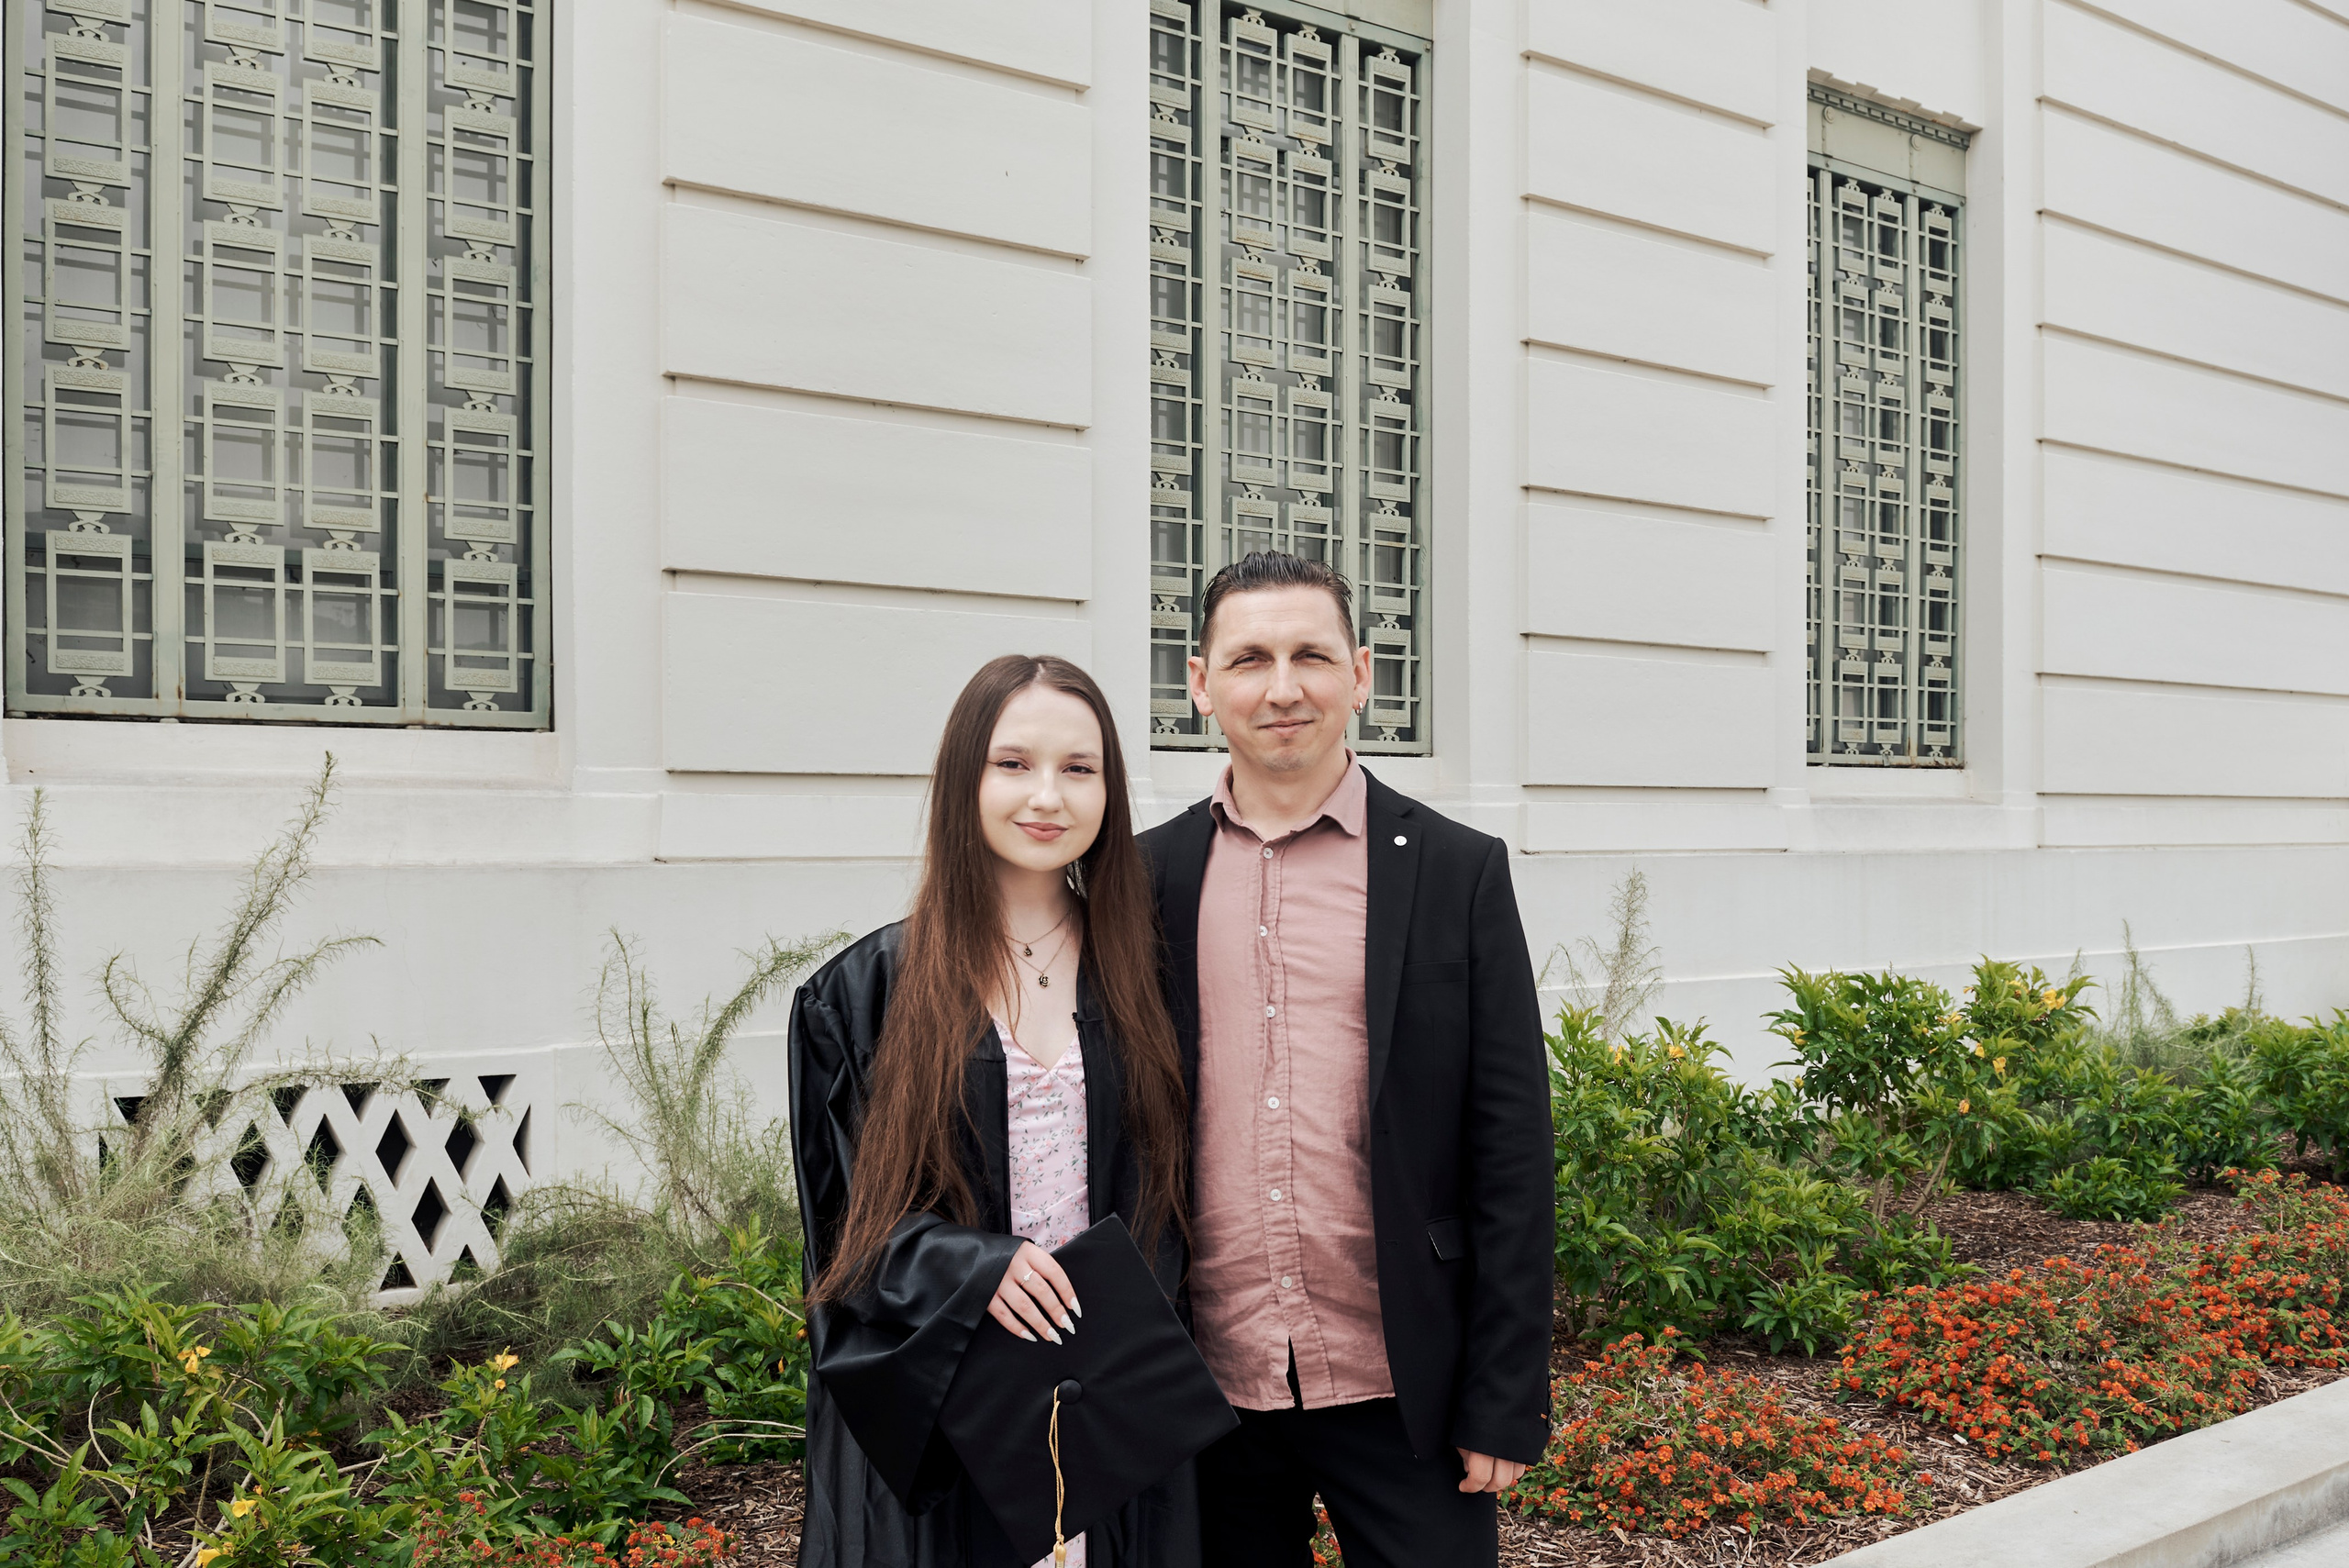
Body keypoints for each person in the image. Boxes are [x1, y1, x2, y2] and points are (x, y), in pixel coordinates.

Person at [1139, 552, 1554, 1568]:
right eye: (1248, 658)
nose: (1281, 687)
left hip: (1402, 1379)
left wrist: (1503, 1394)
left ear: (1361, 672)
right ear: (1200, 683)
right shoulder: (1142, 877)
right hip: (1207, 1382)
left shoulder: (1457, 871)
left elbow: (1510, 1147)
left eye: (1310, 655)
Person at [790, 655, 1198, 1568]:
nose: (1046, 794)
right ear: (963, 778)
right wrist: (975, 1266)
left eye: (1078, 767)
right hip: (953, 1407)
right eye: (1012, 763)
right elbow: (843, 1233)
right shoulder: (864, 993)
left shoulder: (1150, 976)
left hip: (1111, 1396)